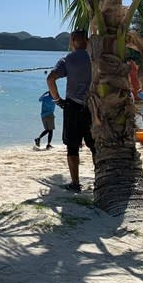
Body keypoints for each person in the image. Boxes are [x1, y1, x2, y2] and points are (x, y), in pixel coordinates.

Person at [46, 29, 95, 192]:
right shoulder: (95, 58)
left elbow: (50, 78)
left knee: (72, 147)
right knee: (95, 146)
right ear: (86, 41)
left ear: (73, 41)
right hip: (94, 106)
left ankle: (75, 183)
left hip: (73, 107)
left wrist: (57, 100)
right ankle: (101, 180)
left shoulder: (67, 59)